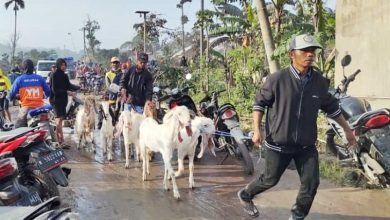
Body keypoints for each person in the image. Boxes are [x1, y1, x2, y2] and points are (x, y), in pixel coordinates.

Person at [237, 34, 357, 219]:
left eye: (313, 51)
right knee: (270, 179)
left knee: (311, 183)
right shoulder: (277, 79)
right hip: (278, 144)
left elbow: (332, 109)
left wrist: (348, 131)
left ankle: (297, 216)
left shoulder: (319, 82)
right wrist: (257, 129)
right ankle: (246, 195)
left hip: (306, 145)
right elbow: (259, 104)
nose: (310, 54)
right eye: (305, 50)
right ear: (292, 54)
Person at [10, 59, 51, 128]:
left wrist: (14, 97)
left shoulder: (20, 79)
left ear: (23, 68)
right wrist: (45, 96)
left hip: (26, 108)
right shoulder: (40, 78)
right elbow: (48, 92)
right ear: (33, 68)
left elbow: (11, 94)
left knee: (18, 129)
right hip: (39, 108)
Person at [50, 58, 76, 149]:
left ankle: (60, 141)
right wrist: (67, 92)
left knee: (60, 121)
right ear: (58, 65)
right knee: (58, 121)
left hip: (63, 100)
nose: (64, 66)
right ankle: (60, 141)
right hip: (55, 100)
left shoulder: (64, 76)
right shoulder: (54, 75)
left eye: (65, 65)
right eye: (62, 65)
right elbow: (54, 90)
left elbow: (69, 85)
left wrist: (78, 88)